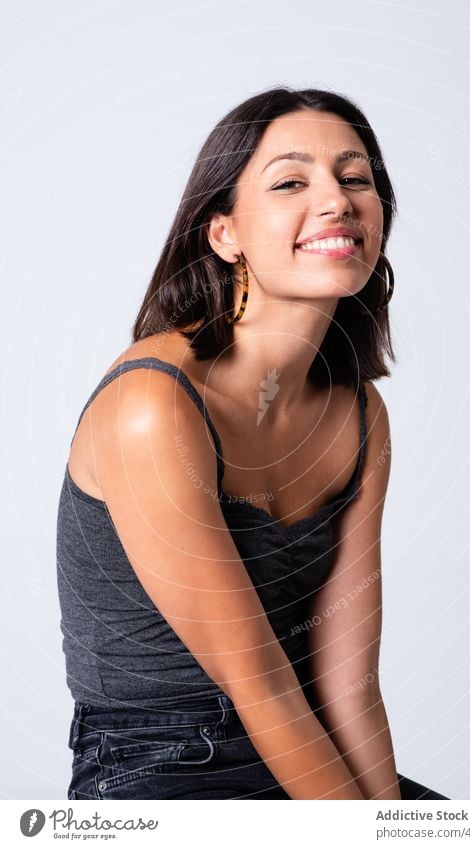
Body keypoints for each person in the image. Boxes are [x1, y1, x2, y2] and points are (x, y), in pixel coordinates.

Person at [57, 85, 449, 801]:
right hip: (158, 769)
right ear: (223, 233)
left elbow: (349, 686)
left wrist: (390, 822)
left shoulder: (361, 415)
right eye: (292, 181)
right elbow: (260, 684)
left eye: (355, 178)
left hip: (303, 744)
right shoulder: (152, 405)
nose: (336, 200)